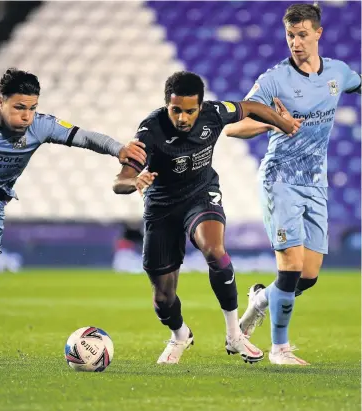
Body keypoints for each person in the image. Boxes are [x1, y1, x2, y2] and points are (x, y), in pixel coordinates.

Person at [0, 68, 147, 363]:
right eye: (19, 107)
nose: (26, 116)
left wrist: (118, 149)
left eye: (32, 108)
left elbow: (82, 137)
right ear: (0, 101)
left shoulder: (41, 126)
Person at [112, 71, 301, 365]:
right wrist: (134, 182)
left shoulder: (214, 113)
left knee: (214, 250)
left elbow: (250, 108)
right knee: (163, 299)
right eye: (176, 110)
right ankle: (179, 335)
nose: (183, 118)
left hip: (201, 196)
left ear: (200, 106)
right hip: (161, 209)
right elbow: (119, 181)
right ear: (166, 105)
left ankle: (234, 335)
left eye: (190, 110)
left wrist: (283, 123)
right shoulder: (150, 131)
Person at [223, 3, 361, 365]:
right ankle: (279, 349)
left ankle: (259, 301)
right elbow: (234, 126)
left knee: (309, 276)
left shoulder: (339, 73)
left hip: (316, 183)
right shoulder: (273, 80)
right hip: (280, 178)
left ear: (318, 33)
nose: (296, 43)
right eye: (290, 36)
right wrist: (274, 123)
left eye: (302, 35)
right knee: (290, 267)